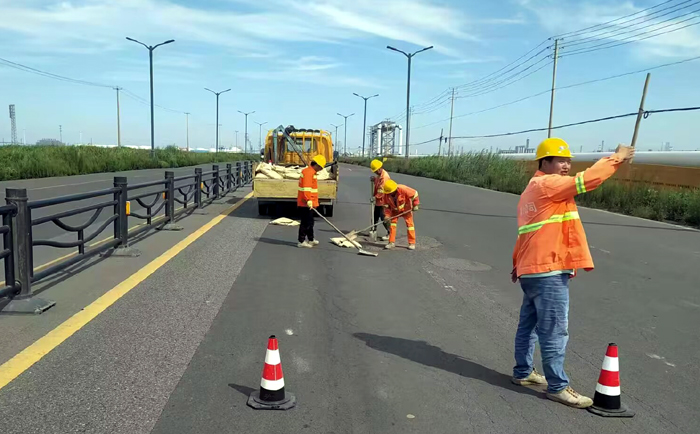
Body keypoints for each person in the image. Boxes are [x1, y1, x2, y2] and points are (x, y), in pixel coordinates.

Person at [510, 137, 635, 408]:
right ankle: (557, 387)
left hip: (532, 270)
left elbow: (525, 233)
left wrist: (517, 264)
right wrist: (617, 157)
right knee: (554, 330)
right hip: (548, 269)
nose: (566, 166)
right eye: (560, 161)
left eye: (568, 161)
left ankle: (523, 372)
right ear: (544, 162)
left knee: (529, 326)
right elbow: (586, 180)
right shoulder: (549, 184)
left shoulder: (531, 190)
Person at [297, 155, 327, 248]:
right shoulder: (308, 173)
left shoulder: (311, 172)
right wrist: (308, 200)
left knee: (310, 222)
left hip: (309, 202)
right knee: (305, 223)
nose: (320, 169)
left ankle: (311, 239)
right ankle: (301, 241)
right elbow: (306, 189)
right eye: (320, 167)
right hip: (305, 203)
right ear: (316, 165)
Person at [381, 179, 420, 250]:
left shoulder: (403, 189)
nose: (389, 194)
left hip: (406, 210)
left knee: (410, 226)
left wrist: (415, 205)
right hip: (394, 210)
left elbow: (415, 194)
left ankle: (412, 243)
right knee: (392, 225)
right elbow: (386, 207)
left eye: (391, 192)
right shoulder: (386, 194)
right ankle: (391, 242)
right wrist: (387, 215)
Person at [370, 159, 391, 241]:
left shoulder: (384, 177)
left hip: (384, 201)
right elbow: (378, 183)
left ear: (379, 169)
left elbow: (381, 191)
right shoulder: (380, 175)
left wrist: (375, 197)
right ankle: (373, 230)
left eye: (375, 171)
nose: (375, 172)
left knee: (384, 218)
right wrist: (374, 179)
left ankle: (390, 233)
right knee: (375, 216)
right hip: (379, 201)